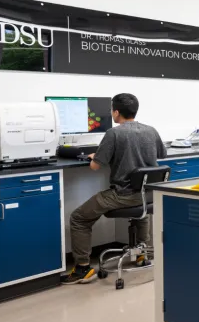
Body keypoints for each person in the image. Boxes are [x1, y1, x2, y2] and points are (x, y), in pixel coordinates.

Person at [62, 93, 167, 284]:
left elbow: (95, 167)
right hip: (148, 193)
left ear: (116, 112)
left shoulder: (114, 133)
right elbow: (162, 154)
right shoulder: (151, 130)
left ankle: (83, 268)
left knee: (78, 218)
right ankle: (141, 254)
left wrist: (96, 156)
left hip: (123, 195)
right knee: (140, 210)